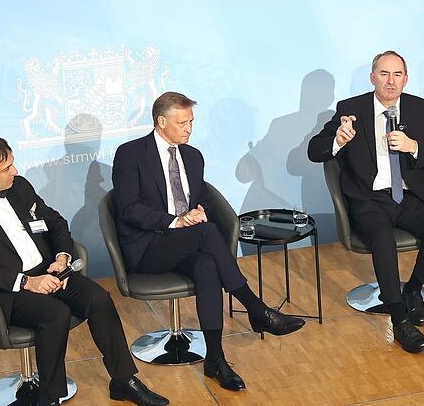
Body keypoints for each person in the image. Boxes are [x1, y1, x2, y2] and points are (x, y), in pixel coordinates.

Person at [0, 135, 169, 406]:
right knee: (55, 314)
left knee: (99, 299)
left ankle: (123, 380)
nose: (16, 171)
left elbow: (55, 221)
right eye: (6, 169)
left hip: (51, 270)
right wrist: (27, 282)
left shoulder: (19, 186)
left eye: (12, 164)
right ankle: (50, 397)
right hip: (6, 290)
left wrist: (61, 258)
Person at [112, 92, 304, 391]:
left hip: (186, 244)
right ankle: (255, 308)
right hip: (148, 246)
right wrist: (176, 220)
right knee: (208, 232)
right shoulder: (130, 154)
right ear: (161, 122)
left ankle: (216, 360)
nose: (189, 129)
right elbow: (128, 208)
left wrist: (200, 210)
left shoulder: (192, 155)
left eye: (191, 122)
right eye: (182, 123)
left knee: (207, 266)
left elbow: (201, 198)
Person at [307, 50, 424, 354]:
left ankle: (412, 290)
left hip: (408, 196)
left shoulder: (420, 109)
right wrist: (339, 140)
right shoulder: (351, 109)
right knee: (383, 238)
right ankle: (399, 320)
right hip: (369, 199)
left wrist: (413, 147)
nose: (390, 81)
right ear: (372, 77)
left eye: (397, 75)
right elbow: (314, 151)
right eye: (384, 74)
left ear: (406, 79)